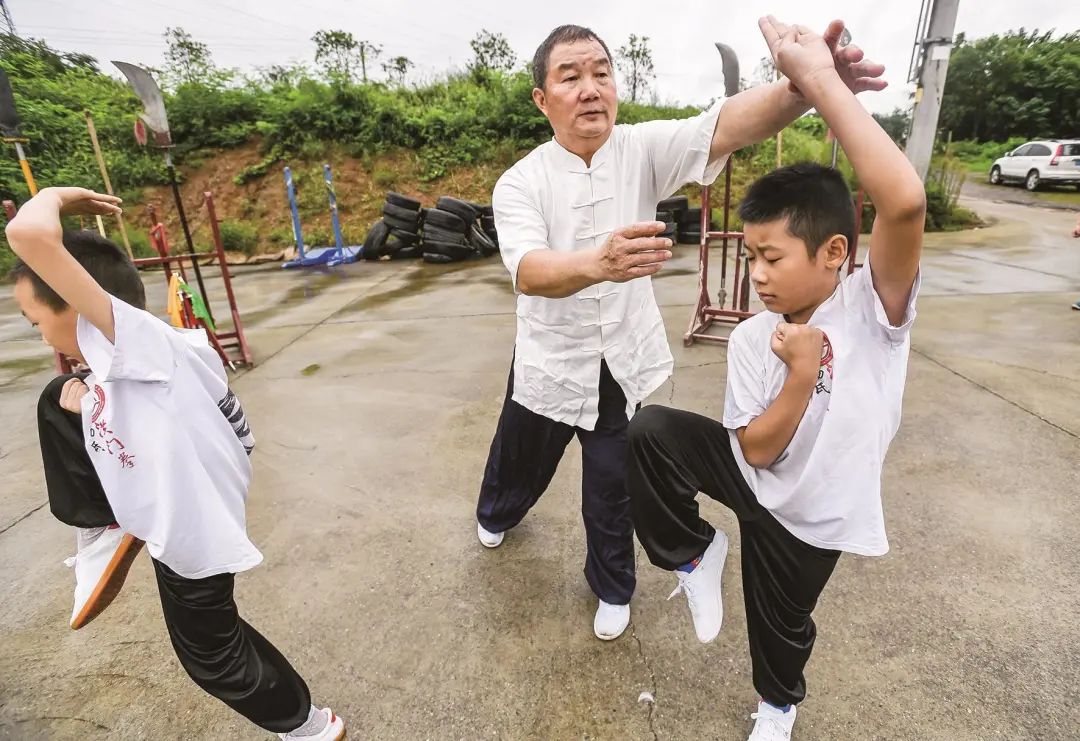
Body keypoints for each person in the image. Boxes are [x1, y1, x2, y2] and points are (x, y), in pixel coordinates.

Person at [474, 21, 886, 641]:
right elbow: (530, 272)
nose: (590, 88)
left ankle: (612, 586)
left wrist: (807, 84)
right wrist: (597, 264)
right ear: (542, 99)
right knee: (518, 459)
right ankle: (497, 512)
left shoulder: (639, 148)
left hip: (621, 358)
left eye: (601, 73)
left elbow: (725, 124)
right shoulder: (521, 182)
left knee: (611, 487)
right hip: (550, 358)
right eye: (570, 76)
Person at [625, 16, 925, 740]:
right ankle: (695, 551)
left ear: (832, 252)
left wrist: (821, 83)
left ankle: (776, 704)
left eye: (771, 256)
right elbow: (755, 449)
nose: (755, 274)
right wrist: (799, 374)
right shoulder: (755, 336)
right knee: (648, 432)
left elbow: (905, 201)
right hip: (757, 478)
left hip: (817, 517)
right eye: (749, 255)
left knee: (780, 623)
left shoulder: (874, 305)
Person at [5, 187, 345, 741]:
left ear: (77, 302)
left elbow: (27, 235)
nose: (38, 331)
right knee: (58, 396)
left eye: (34, 318)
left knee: (212, 658)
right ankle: (104, 524)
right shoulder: (127, 356)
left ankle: (310, 728)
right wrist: (88, 395)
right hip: (176, 492)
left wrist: (57, 196)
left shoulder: (137, 341)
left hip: (191, 521)